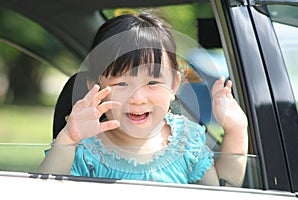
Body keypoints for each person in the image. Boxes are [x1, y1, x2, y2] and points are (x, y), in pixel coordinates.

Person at [37, 11, 248, 187]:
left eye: (153, 83)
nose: (137, 98)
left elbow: (223, 192)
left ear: (174, 84)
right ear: (95, 87)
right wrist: (69, 139)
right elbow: (43, 191)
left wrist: (236, 131)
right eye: (121, 84)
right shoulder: (88, 150)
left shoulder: (186, 142)